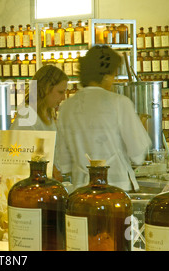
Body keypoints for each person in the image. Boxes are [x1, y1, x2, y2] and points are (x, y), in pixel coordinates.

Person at [56, 46, 151, 192]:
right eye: (114, 75)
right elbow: (138, 154)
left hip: (81, 192)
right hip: (117, 188)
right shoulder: (119, 103)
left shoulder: (66, 107)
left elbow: (63, 163)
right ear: (106, 75)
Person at [10, 64, 69, 180]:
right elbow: (19, 160)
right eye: (60, 92)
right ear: (46, 89)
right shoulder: (27, 118)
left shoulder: (48, 115)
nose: (63, 98)